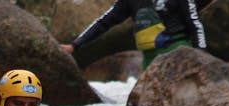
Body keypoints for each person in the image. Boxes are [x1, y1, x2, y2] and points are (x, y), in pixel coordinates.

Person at [61, 0, 207, 70]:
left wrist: (201, 57)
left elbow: (195, 24)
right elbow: (104, 22)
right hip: (150, 61)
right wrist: (74, 45)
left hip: (180, 55)